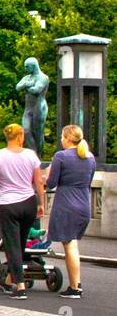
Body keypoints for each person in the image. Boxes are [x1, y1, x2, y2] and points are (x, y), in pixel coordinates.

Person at [0, 123, 45, 300]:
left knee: (12, 245)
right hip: (28, 202)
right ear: (21, 137)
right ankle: (13, 277)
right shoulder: (30, 155)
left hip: (8, 204)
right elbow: (38, 182)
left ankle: (20, 286)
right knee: (20, 242)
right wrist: (41, 204)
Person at [46, 124, 95, 298]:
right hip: (83, 204)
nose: (60, 140)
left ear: (67, 138)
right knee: (72, 244)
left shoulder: (61, 156)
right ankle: (76, 284)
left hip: (66, 205)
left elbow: (51, 183)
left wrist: (47, 173)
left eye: (61, 136)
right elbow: (88, 181)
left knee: (70, 245)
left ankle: (75, 286)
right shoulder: (89, 157)